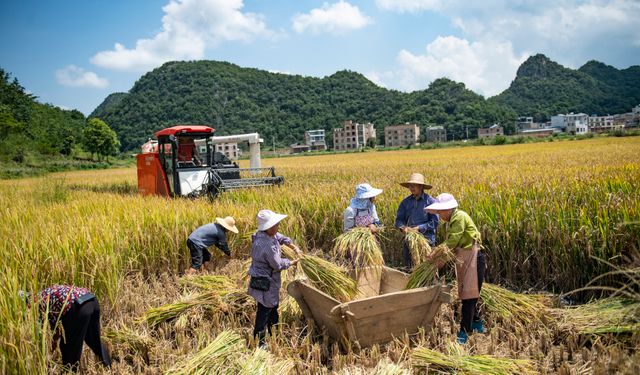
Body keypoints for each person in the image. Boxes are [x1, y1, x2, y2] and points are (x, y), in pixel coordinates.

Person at [425, 193, 486, 344]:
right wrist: (440, 259)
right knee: (468, 293)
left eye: (440, 212)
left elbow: (452, 241)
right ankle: (477, 323)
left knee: (469, 295)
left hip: (473, 257)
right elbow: (452, 246)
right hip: (464, 258)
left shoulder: (459, 217)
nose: (439, 215)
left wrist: (436, 253)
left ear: (448, 208)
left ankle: (465, 331)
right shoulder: (452, 220)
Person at [21, 284, 112, 371]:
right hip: (91, 299)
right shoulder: (44, 294)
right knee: (93, 339)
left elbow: (52, 332)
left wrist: (48, 352)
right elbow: (56, 327)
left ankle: (69, 371)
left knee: (68, 346)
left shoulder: (38, 305)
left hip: (77, 306)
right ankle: (109, 366)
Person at [247, 209, 302, 346]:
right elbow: (277, 265)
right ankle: (260, 341)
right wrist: (291, 262)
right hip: (265, 280)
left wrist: (293, 246)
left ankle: (274, 331)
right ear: (269, 228)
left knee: (272, 305)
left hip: (266, 278)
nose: (278, 227)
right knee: (264, 309)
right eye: (276, 225)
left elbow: (280, 237)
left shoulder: (263, 234)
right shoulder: (268, 245)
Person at [395, 173, 439, 268]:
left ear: (421, 186)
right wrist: (403, 228)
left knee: (428, 268)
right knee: (410, 268)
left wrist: (419, 228)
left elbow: (435, 222)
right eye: (410, 186)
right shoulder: (405, 203)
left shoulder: (430, 202)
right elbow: (399, 220)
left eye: (414, 185)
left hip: (427, 241)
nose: (411, 188)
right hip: (410, 240)